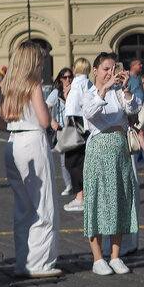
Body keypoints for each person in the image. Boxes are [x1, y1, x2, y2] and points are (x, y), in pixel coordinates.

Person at [0, 41, 60, 278]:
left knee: (22, 206)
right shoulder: (33, 85)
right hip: (33, 141)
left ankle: (23, 261)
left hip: (13, 142)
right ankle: (40, 262)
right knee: (43, 205)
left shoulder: (7, 85)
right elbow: (44, 121)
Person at [80, 52, 141, 276]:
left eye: (113, 68)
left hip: (120, 151)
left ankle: (115, 256)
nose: (110, 73)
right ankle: (98, 258)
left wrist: (125, 89)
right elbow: (88, 113)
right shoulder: (89, 93)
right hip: (98, 150)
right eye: (106, 69)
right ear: (95, 70)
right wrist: (103, 89)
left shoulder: (118, 93)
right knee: (98, 201)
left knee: (119, 200)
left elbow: (133, 110)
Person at [62, 57, 92, 213]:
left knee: (72, 163)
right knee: (82, 163)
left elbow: (72, 109)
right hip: (88, 128)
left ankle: (80, 197)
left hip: (76, 127)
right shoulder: (89, 83)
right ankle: (84, 196)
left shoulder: (75, 85)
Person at [47, 68, 74, 195]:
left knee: (77, 158)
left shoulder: (75, 91)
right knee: (64, 159)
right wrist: (52, 121)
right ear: (60, 79)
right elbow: (46, 108)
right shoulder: (56, 93)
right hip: (62, 128)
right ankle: (69, 185)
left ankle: (78, 185)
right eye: (65, 77)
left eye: (70, 77)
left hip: (75, 127)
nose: (68, 79)